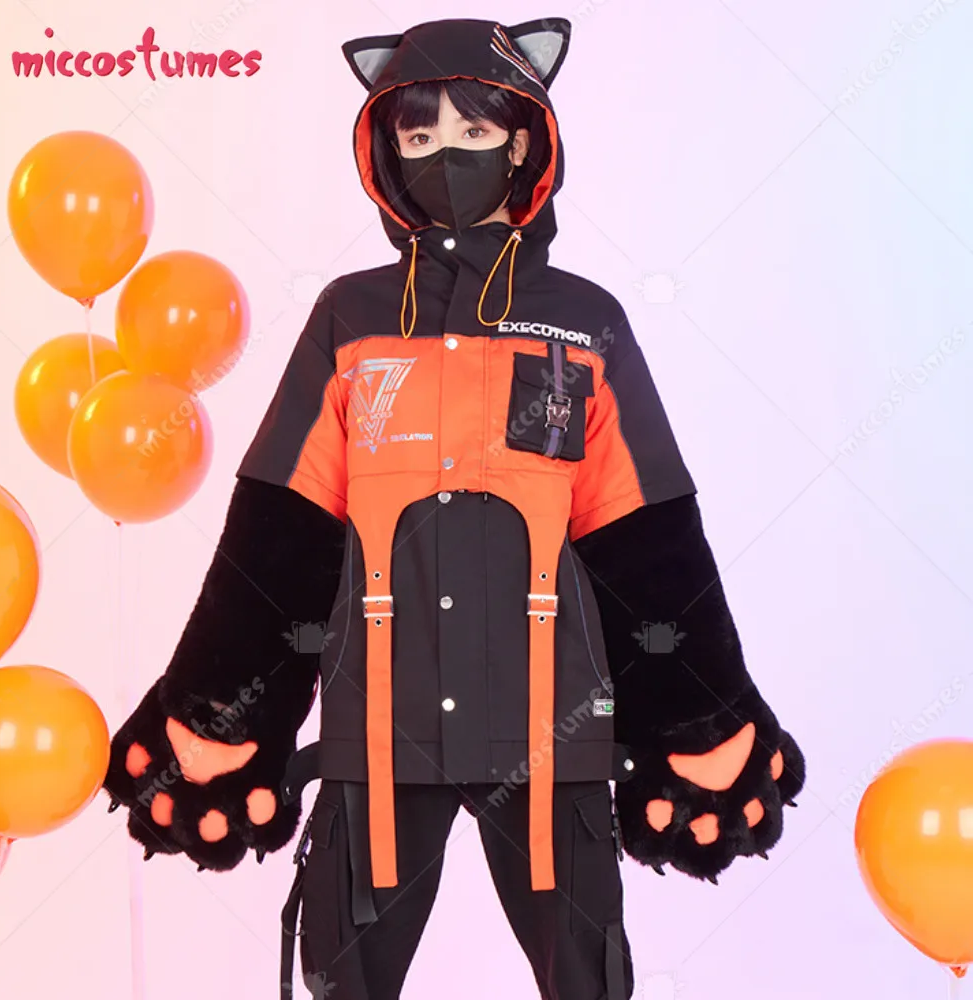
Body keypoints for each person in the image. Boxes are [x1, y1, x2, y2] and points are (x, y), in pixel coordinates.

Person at [103, 16, 806, 1000]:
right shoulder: (349, 318)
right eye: (419, 133)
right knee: (343, 979)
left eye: (473, 132)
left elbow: (646, 537)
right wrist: (217, 709)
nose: (446, 154)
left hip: (553, 731)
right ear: (387, 151)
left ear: (521, 143)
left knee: (588, 978)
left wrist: (702, 715)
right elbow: (282, 534)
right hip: (380, 729)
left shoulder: (583, 322)